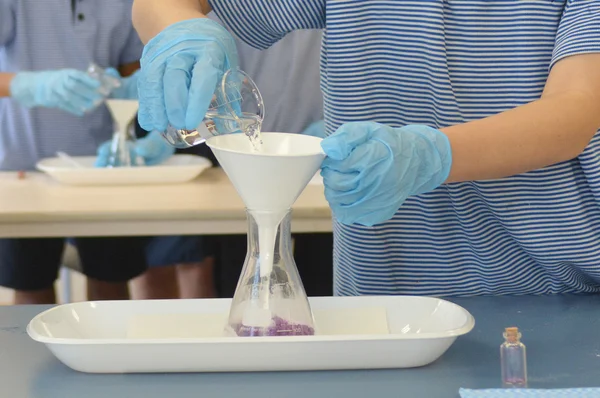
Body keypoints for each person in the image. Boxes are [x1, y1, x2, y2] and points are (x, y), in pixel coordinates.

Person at [132, 0, 600, 297]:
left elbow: (577, 110)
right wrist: (182, 33)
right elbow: (162, 3)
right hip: (386, 291)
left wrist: (431, 154)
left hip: (556, 287)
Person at [129, 19, 332, 299]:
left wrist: (341, 124)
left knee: (322, 283)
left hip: (322, 158)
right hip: (239, 156)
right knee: (237, 276)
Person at [0, 0, 165, 304]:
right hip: (23, 166)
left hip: (103, 165)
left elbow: (132, 65)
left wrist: (132, 85)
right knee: (30, 282)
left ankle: (109, 353)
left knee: (112, 278)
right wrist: (31, 85)